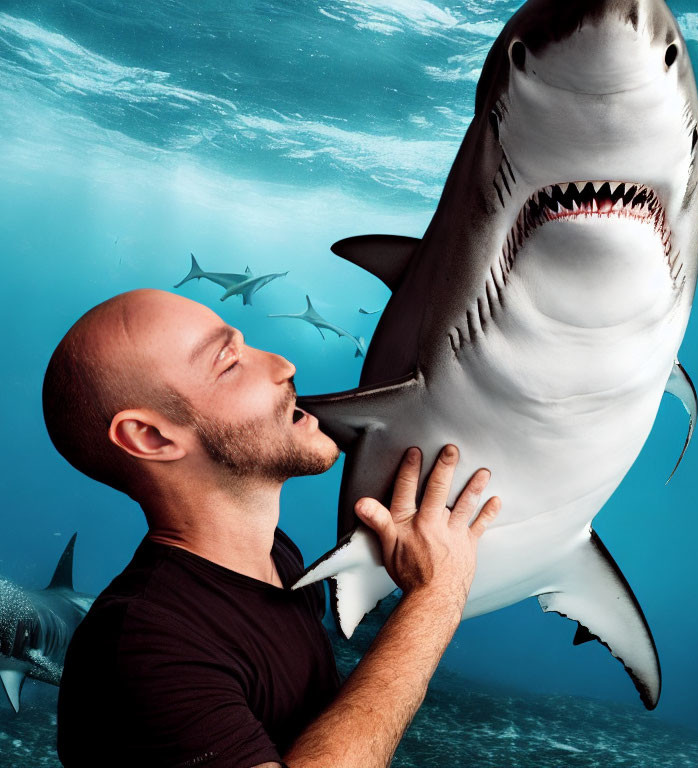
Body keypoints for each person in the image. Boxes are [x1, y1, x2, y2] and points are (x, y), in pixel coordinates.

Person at [43, 288, 501, 768]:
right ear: (152, 436)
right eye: (228, 363)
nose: (284, 364)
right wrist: (435, 594)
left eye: (245, 344)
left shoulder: (279, 557)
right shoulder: (140, 647)